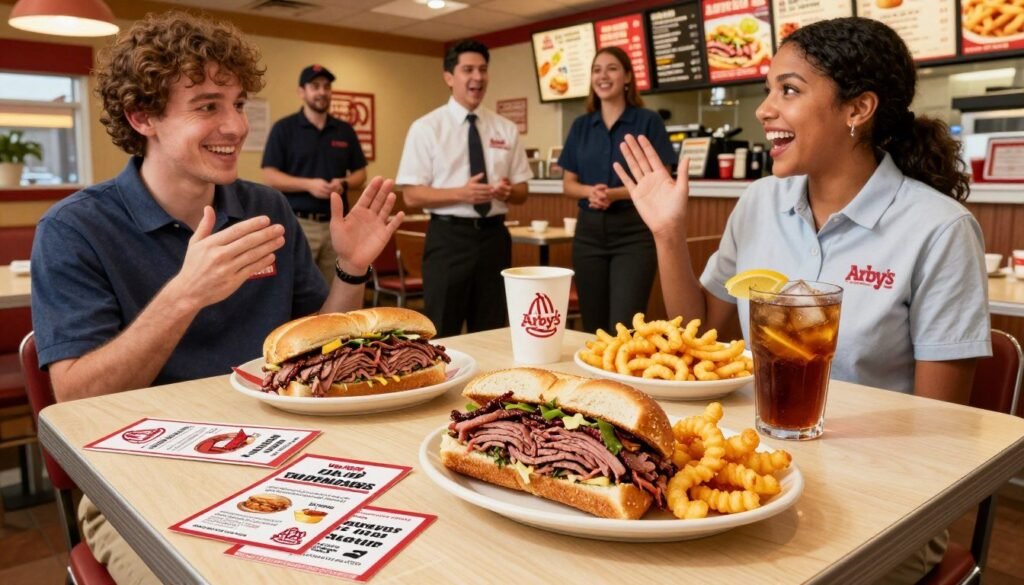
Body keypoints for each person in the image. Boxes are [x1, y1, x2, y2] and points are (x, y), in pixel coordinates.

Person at [30, 13, 401, 584]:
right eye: (207, 106)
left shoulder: (267, 208)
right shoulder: (74, 229)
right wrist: (185, 294)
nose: (235, 124)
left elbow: (312, 353)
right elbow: (75, 396)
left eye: (238, 102)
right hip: (139, 481)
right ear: (142, 116)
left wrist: (350, 268)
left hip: (283, 458)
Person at [614, 17, 989, 584]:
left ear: (857, 109)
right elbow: (695, 339)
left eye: (788, 90)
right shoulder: (760, 202)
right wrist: (668, 233)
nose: (764, 109)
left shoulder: (940, 229)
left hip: (882, 504)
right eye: (768, 90)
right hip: (757, 474)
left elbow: (939, 433)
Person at [397, 39, 531, 337]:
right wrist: (462, 193)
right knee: (442, 329)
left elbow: (523, 190)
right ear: (449, 77)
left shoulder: (505, 128)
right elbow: (411, 194)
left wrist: (508, 191)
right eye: (468, 69)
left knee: (493, 331)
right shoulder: (426, 128)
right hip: (449, 239)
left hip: (495, 237)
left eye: (483, 70)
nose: (478, 77)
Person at [558, 46, 673, 333]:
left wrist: (614, 194)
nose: (603, 76)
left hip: (633, 233)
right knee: (593, 328)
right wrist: (589, 192)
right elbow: (568, 184)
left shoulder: (648, 121)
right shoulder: (581, 126)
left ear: (627, 77)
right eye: (597, 70)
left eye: (611, 68)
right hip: (588, 234)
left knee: (625, 325)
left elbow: (664, 178)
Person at [262, 64, 368, 283]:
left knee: (335, 288)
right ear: (302, 92)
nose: (322, 92)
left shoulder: (344, 130)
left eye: (327, 86)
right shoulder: (284, 128)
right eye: (315, 86)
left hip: (338, 224)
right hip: (299, 223)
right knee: (299, 289)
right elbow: (270, 176)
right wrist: (308, 185)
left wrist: (344, 183)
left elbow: (361, 173)